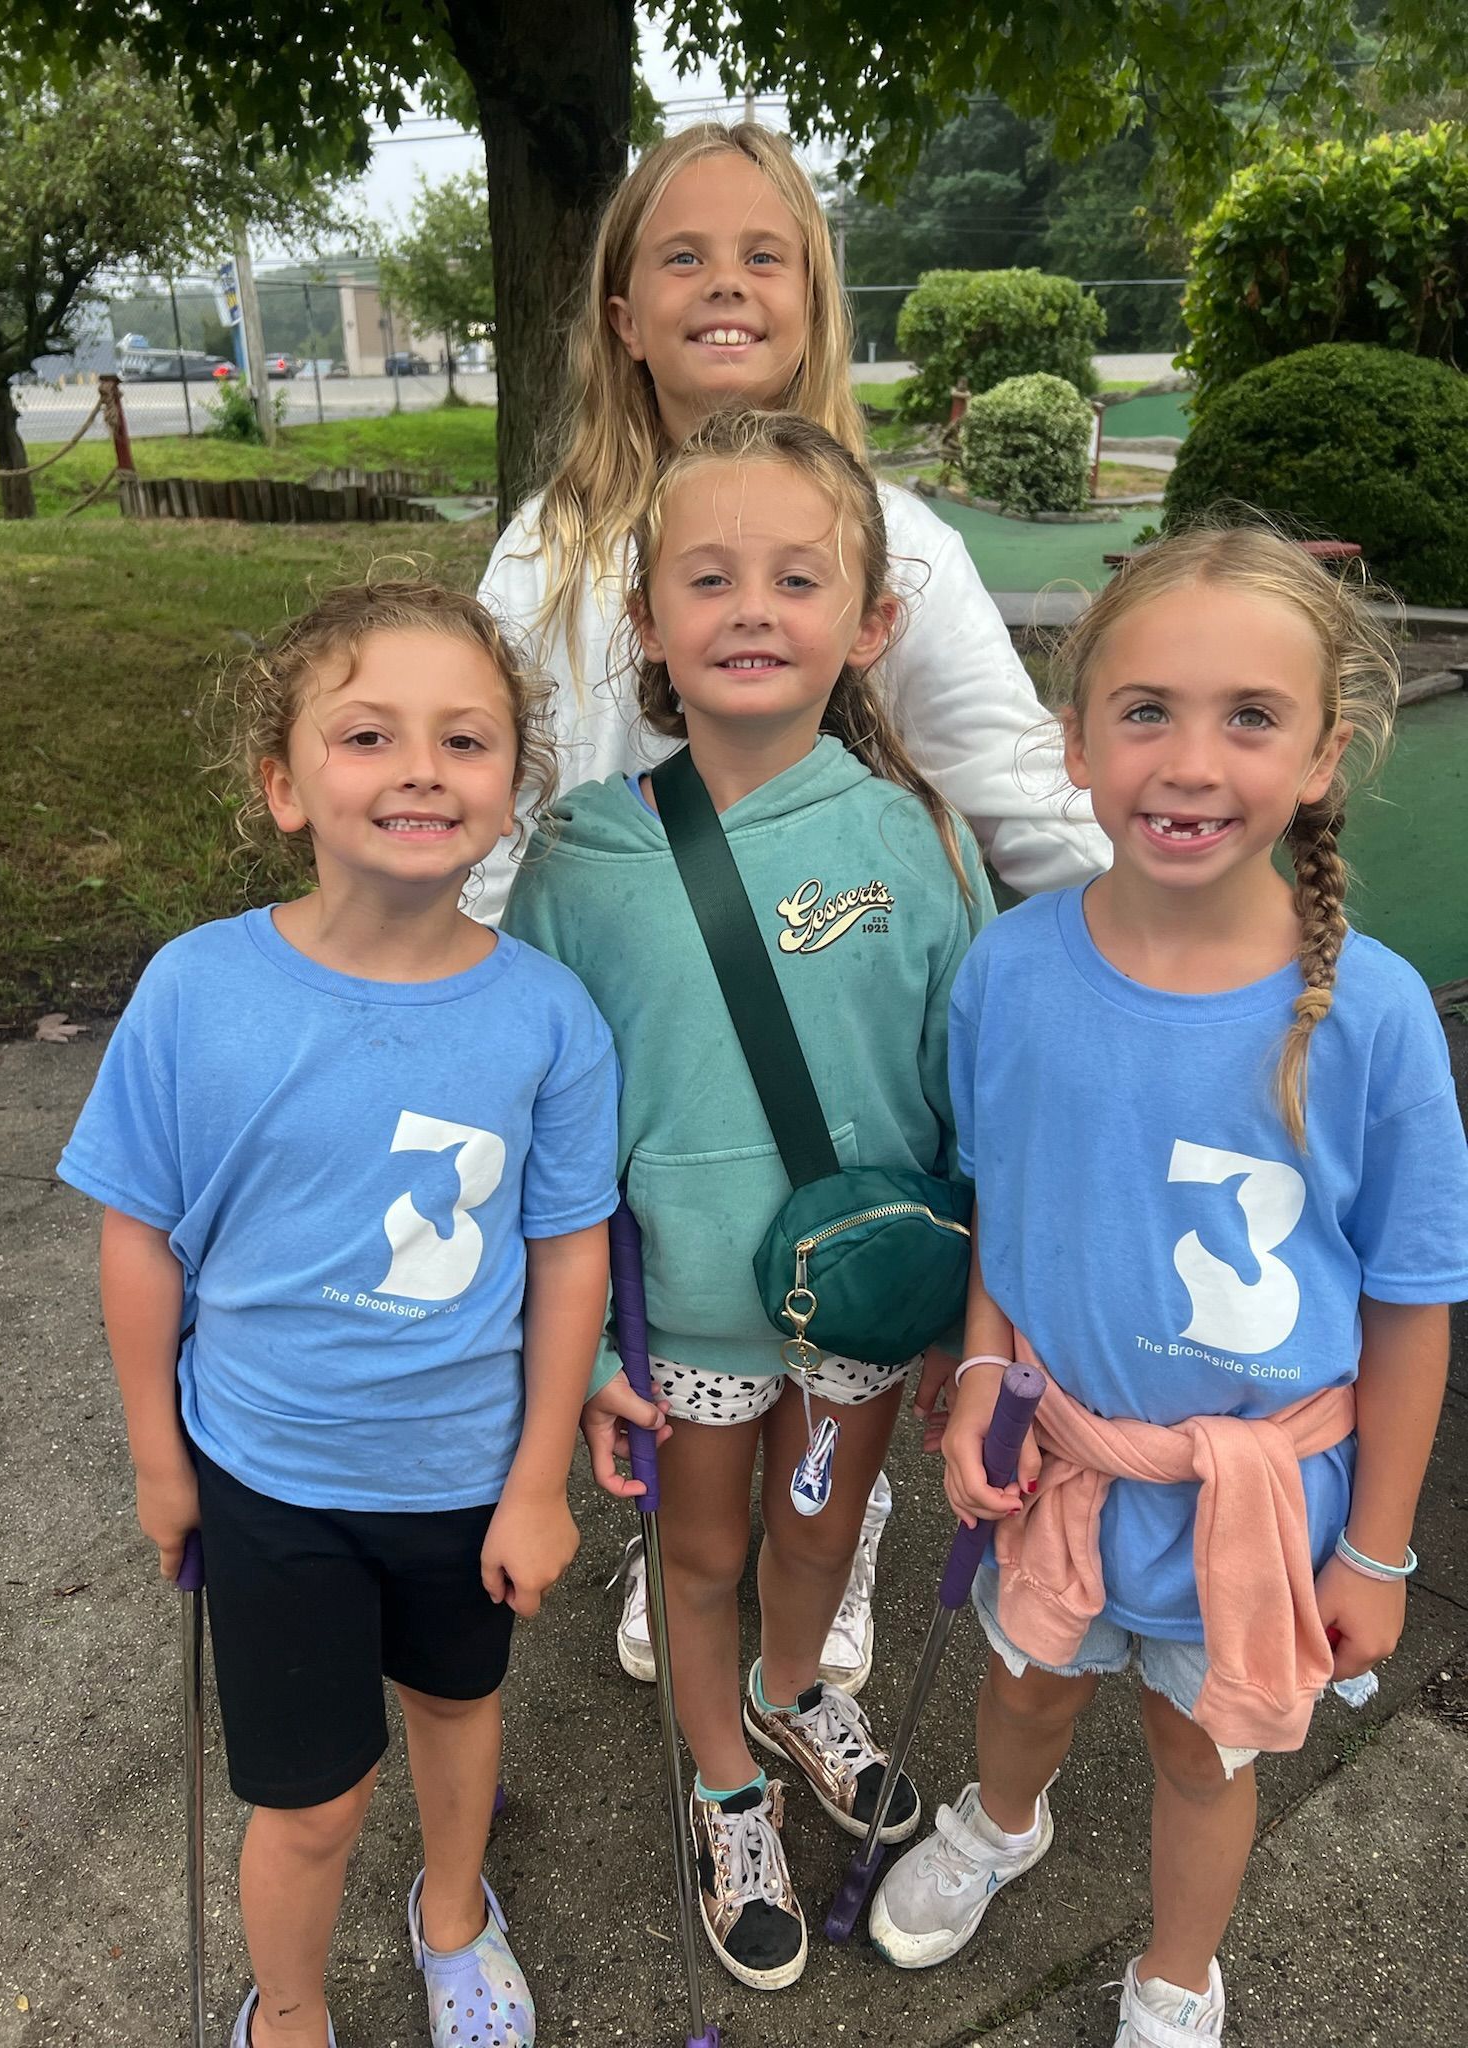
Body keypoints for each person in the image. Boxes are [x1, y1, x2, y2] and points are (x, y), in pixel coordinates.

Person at [478, 117, 1109, 1696]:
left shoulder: (902, 549)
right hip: (656, 1034)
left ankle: (833, 1542)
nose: (726, 286)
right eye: (681, 255)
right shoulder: (553, 557)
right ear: (622, 313)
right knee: (680, 1308)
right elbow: (493, 812)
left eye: (767, 254)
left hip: (841, 1027)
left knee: (853, 1297)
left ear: (818, 300)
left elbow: (1021, 795)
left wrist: (1198, 949)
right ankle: (691, 1557)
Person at [870, 528, 1468, 2044]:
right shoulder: (1007, 973)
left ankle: (1181, 1971)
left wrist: (1382, 1554)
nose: (1190, 761)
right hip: (1060, 1471)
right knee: (1027, 1693)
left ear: (1326, 755)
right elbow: (1009, 1202)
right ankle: (1006, 1824)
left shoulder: (1378, 1020)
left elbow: (1410, 1300)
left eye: (1250, 718)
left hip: (1262, 1512)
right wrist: (989, 1374)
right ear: (1073, 742)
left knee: (1204, 1754)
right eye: (1145, 712)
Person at [58, 575, 624, 2048]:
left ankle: (452, 1918)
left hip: (462, 1478)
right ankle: (290, 2008)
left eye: (467, 739)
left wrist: (540, 1482)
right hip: (270, 1480)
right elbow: (141, 1242)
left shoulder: (550, 1016)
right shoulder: (195, 991)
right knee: (307, 1802)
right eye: (368, 735)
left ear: (512, 790)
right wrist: (156, 1459)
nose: (421, 770)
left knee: (455, 1720)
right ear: (284, 783)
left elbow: (569, 1257)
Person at [505, 408, 994, 1990]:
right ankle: (724, 1777)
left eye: (797, 576)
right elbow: (542, 1127)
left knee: (821, 1529)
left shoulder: (916, 836)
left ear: (871, 621)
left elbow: (963, 1086)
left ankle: (800, 1690)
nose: (751, 609)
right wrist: (576, 1354)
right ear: (645, 622)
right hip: (694, 1314)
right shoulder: (578, 860)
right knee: (699, 1558)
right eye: (706, 578)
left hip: (865, 1300)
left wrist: (975, 1322)